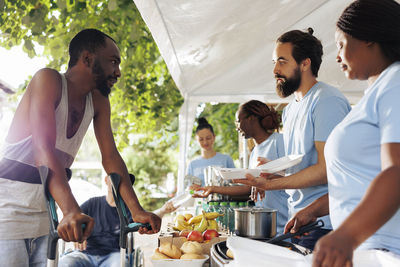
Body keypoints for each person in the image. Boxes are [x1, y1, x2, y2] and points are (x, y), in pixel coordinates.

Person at [0, 29, 161, 266]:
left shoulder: (98, 101)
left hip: (44, 221)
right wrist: (71, 210)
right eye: (113, 62)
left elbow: (111, 157)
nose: (118, 72)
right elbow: (43, 150)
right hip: (7, 218)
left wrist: (135, 210)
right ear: (87, 59)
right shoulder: (48, 79)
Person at [284, 1, 400, 266]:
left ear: (368, 38)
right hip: (367, 249)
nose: (337, 57)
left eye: (340, 45)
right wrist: (313, 210)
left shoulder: (395, 82)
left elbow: (396, 172)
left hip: (386, 251)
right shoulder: (376, 92)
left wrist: (347, 235)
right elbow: (360, 182)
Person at [233, 29, 351, 249]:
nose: (275, 70)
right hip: (299, 220)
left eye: (281, 61)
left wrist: (271, 184)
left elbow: (327, 169)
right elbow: (303, 167)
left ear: (305, 63)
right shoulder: (290, 110)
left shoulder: (327, 101)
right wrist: (272, 172)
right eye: (274, 62)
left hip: (325, 225)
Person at [193, 100, 289, 233]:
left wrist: (269, 177)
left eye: (238, 121)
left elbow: (294, 176)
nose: (237, 127)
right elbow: (249, 188)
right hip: (266, 226)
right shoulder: (255, 151)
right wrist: (213, 189)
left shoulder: (279, 141)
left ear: (252, 119)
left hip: (286, 224)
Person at [59, 175, 176, 267]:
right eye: (114, 178)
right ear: (106, 180)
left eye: (123, 181)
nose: (118, 183)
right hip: (86, 254)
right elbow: (73, 219)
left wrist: (163, 210)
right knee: (65, 263)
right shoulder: (92, 203)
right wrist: (78, 233)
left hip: (114, 255)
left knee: (119, 264)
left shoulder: (128, 209)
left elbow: (147, 219)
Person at [187, 117, 235, 187]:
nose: (205, 142)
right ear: (196, 140)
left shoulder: (226, 159)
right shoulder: (192, 164)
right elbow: (189, 192)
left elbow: (235, 184)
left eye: (208, 138)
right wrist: (192, 189)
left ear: (214, 137)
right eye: (201, 139)